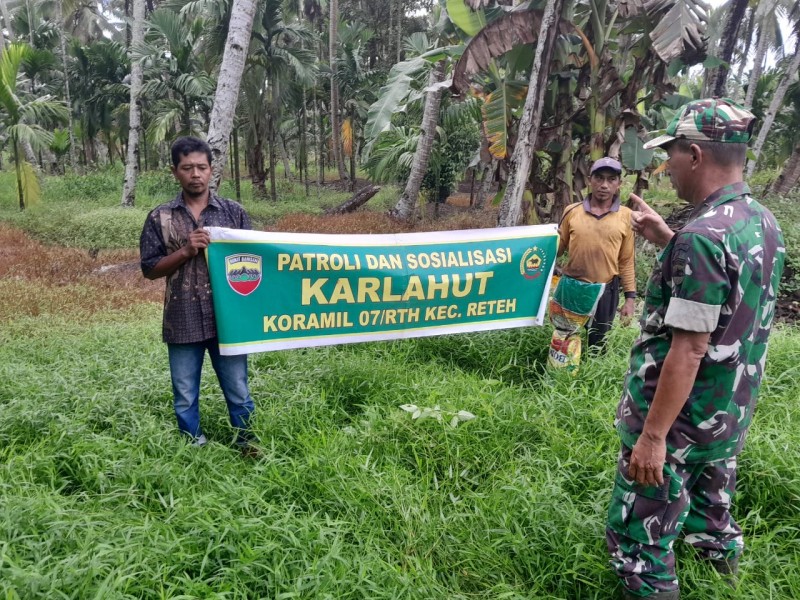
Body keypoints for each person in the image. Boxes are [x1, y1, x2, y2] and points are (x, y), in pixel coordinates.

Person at [606, 98, 785, 599]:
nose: (667, 166)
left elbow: (688, 349)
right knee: (712, 520)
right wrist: (671, 240)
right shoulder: (760, 222)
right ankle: (724, 580)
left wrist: (653, 438)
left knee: (639, 545)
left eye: (672, 154)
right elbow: (728, 303)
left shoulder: (703, 237)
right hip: (727, 410)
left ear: (697, 156)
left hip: (679, 419)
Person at [140, 136, 259, 456]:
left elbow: (257, 262)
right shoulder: (160, 218)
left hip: (229, 322)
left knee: (238, 389)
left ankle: (248, 444)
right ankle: (194, 449)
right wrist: (186, 251)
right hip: (182, 319)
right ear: (174, 171)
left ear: (212, 170)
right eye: (187, 168)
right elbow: (149, 269)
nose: (196, 174)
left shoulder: (233, 214)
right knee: (184, 393)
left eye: (202, 167)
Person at [557, 156, 636, 348]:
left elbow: (626, 261)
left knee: (598, 345)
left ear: (619, 184)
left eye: (611, 179)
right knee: (564, 341)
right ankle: (561, 375)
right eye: (599, 178)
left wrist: (630, 299)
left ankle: (589, 376)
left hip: (605, 290)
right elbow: (557, 250)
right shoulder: (572, 211)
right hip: (572, 287)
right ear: (590, 180)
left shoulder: (626, 216)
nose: (604, 184)